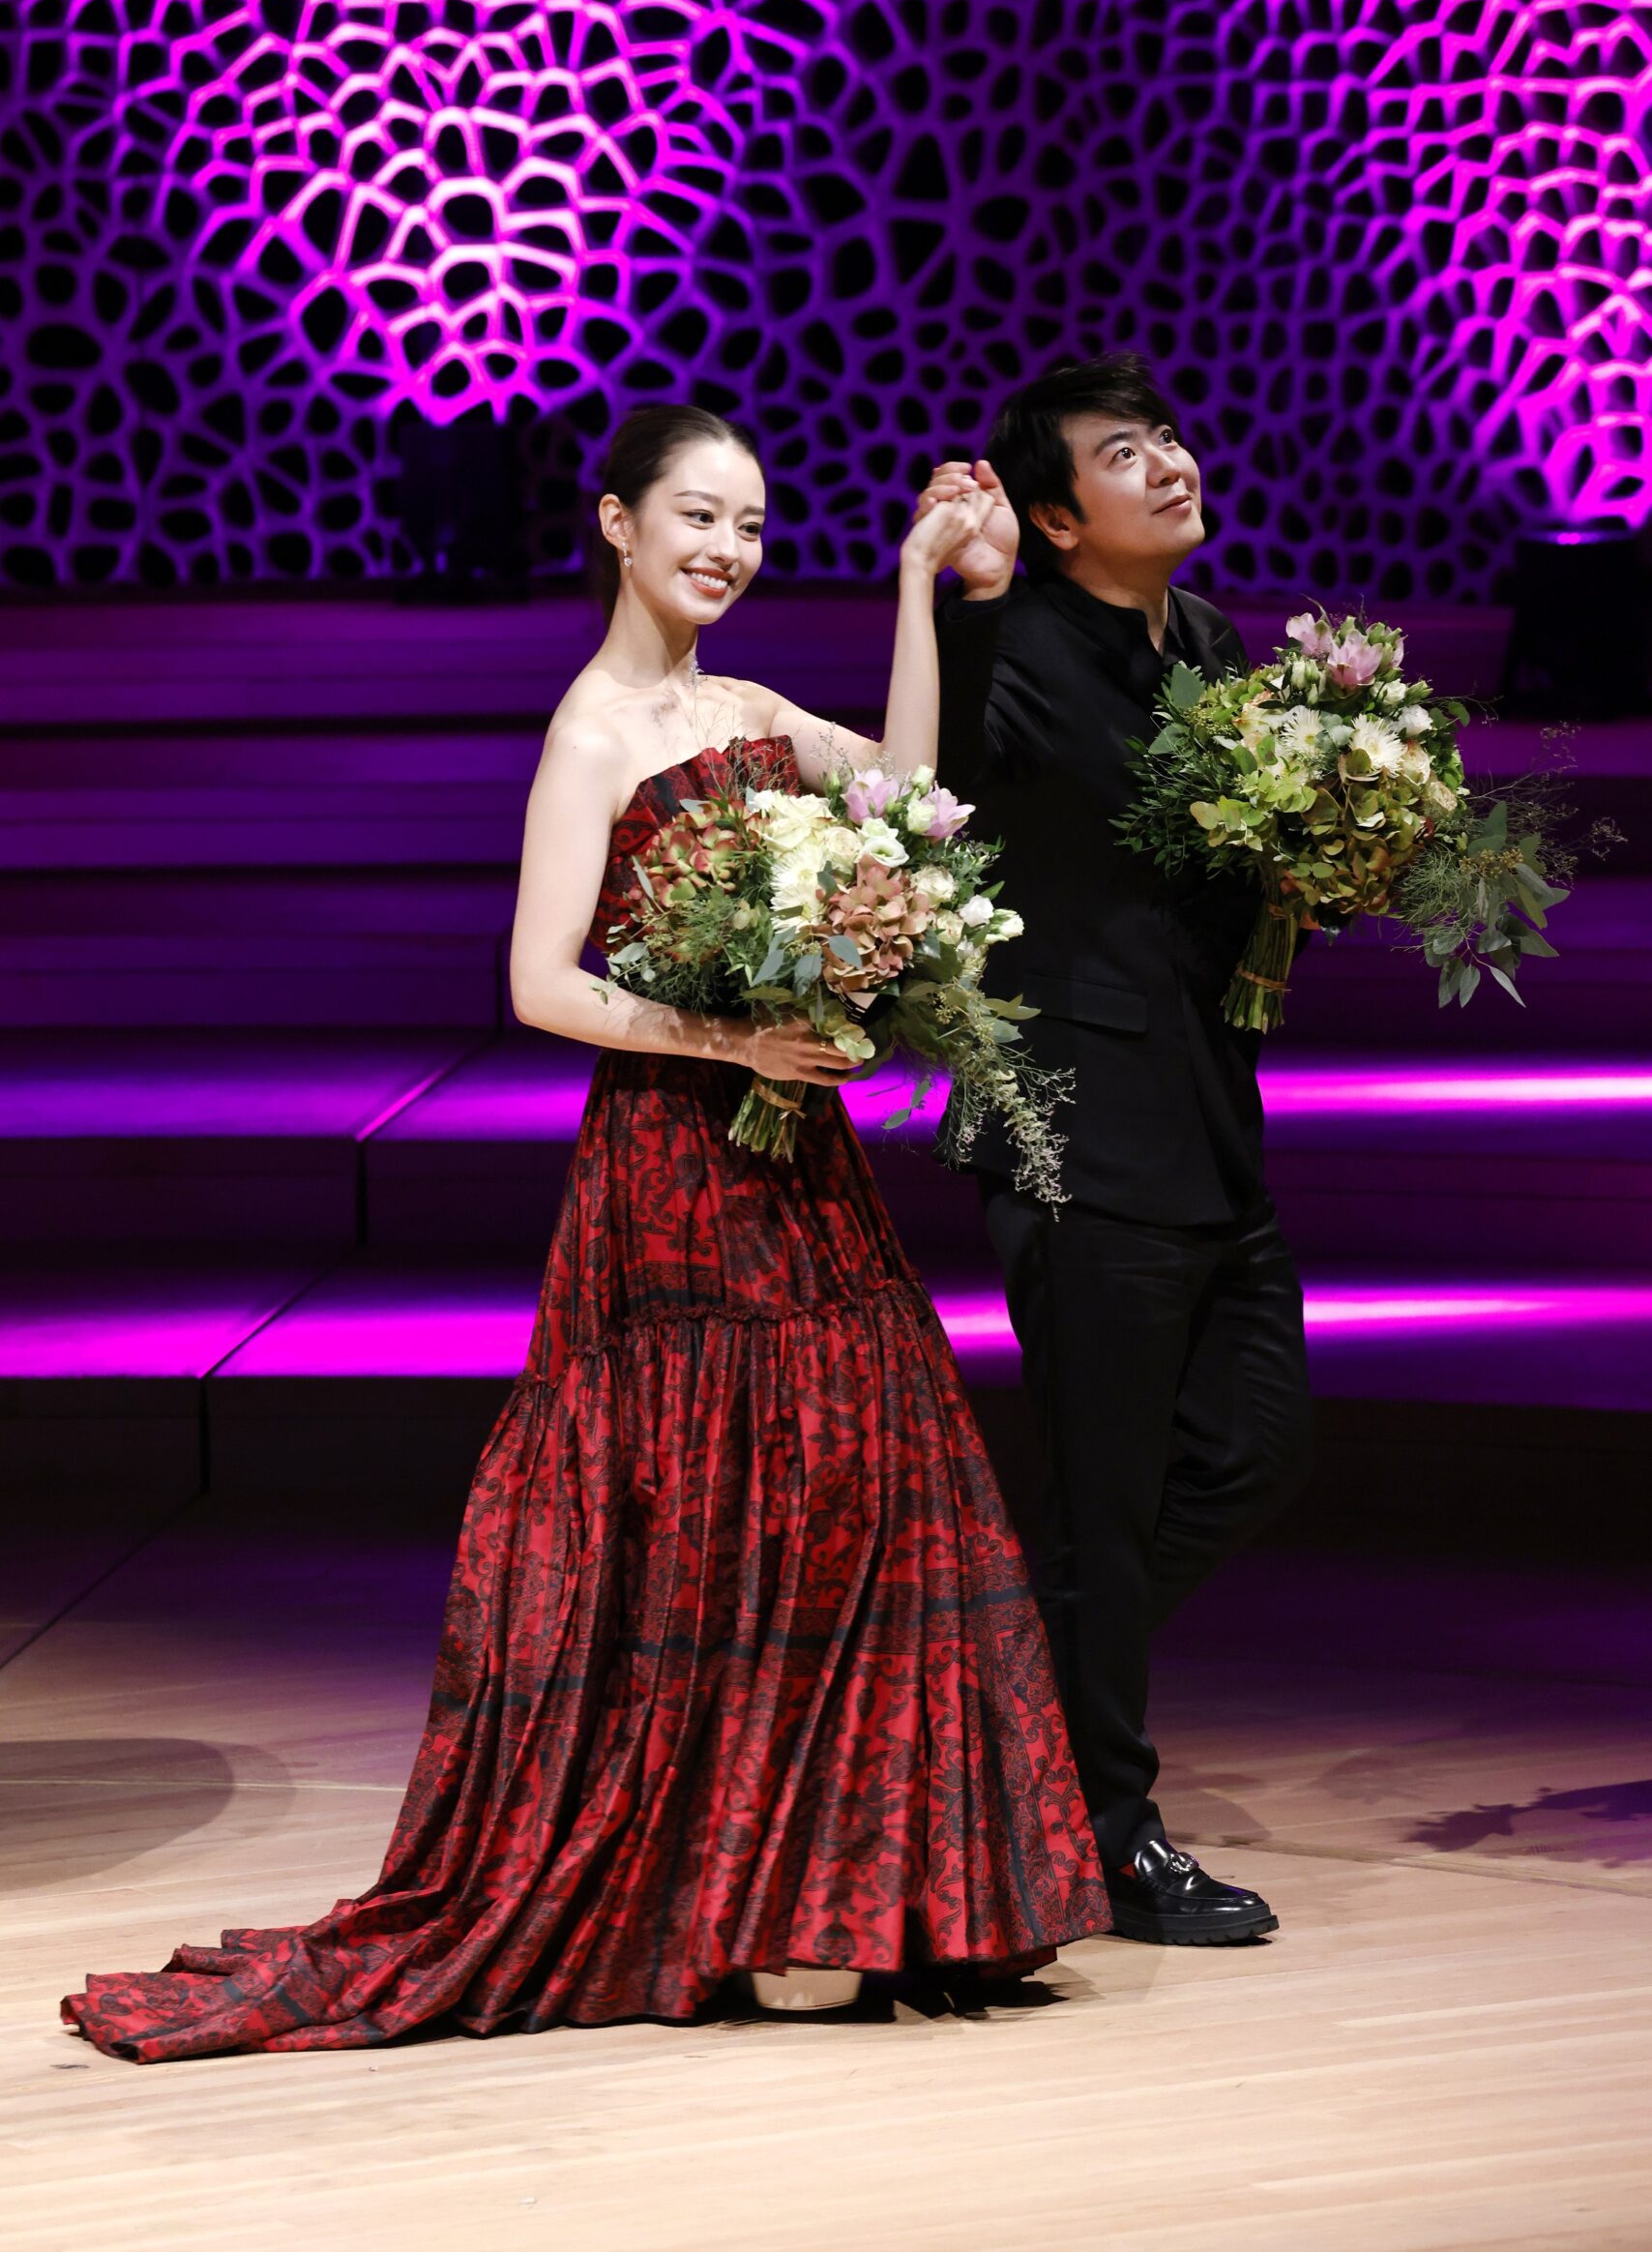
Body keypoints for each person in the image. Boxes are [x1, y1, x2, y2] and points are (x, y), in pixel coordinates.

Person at [63, 404, 1107, 2061]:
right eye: (697, 515)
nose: (728, 549)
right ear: (618, 523)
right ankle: (730, 1902)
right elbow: (539, 983)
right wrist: (734, 1039)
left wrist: (921, 583)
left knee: (847, 1490)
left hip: (795, 1153)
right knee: (714, 1512)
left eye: (751, 524)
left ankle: (834, 1895)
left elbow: (915, 803)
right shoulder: (591, 731)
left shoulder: (749, 709)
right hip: (674, 1170)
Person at [921, 353, 1314, 1945]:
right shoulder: (1010, 644)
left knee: (1256, 1448)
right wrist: (964, 594)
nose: (1168, 463)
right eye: (1122, 453)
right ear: (1057, 519)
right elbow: (933, 784)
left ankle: (1007, 1667)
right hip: (1073, 1122)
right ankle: (1110, 1834)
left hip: (1211, 1118)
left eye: (1166, 437)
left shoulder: (1211, 643)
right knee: (1106, 1497)